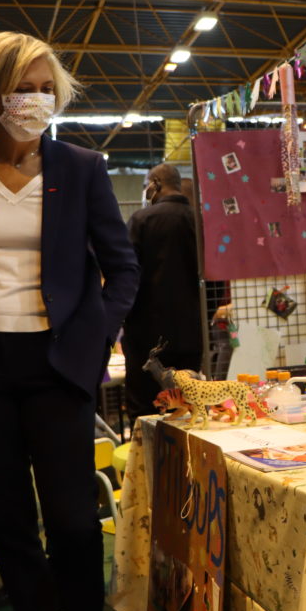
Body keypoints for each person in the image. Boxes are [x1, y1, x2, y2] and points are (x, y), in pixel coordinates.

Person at [0, 31, 138, 611]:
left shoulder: (80, 168)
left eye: (48, 89)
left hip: (56, 364)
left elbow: (122, 267)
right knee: (11, 523)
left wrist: (97, 335)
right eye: (26, 88)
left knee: (75, 523)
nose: (38, 100)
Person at [124, 163, 203, 420]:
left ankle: (145, 460)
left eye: (148, 183)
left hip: (147, 337)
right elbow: (212, 281)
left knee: (147, 409)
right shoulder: (200, 222)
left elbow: (126, 275)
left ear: (155, 184)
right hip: (192, 333)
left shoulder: (141, 220)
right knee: (188, 405)